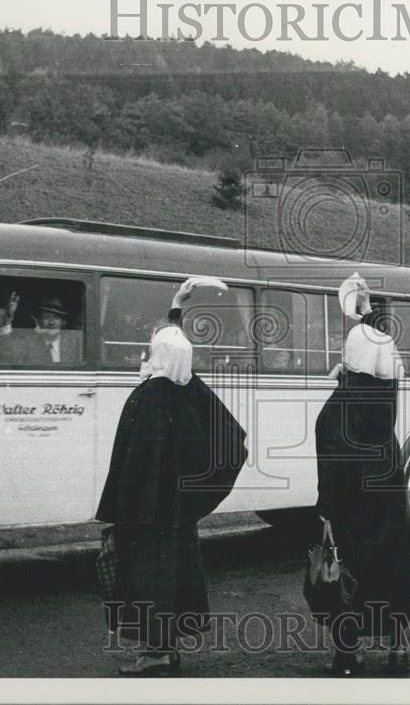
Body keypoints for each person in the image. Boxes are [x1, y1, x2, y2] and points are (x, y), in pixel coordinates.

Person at [95, 278, 248, 677]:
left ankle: (156, 655)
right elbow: (234, 442)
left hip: (146, 515)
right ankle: (165, 650)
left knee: (149, 583)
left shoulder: (150, 396)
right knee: (171, 582)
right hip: (177, 514)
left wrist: (124, 510)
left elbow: (135, 465)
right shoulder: (188, 390)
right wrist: (176, 310)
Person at [315, 273, 410, 676]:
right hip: (387, 496)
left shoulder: (341, 403)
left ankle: (349, 653)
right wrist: (369, 312)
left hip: (351, 504)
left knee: (349, 576)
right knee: (391, 571)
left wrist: (325, 510)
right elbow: (380, 357)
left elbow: (332, 453)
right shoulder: (386, 397)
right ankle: (396, 649)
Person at [0, 292, 81, 364]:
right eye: (46, 317)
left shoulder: (74, 345)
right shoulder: (29, 344)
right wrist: (7, 318)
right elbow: (4, 349)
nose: (51, 322)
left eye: (56, 317)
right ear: (39, 321)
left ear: (63, 322)